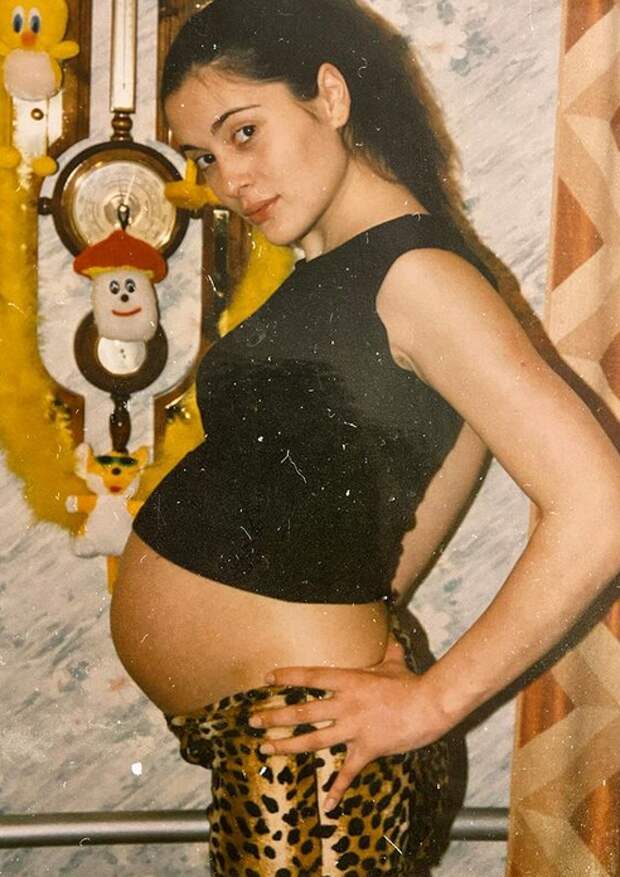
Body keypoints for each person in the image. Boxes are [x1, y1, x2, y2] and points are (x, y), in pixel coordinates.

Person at [109, 1, 620, 874]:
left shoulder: (416, 274)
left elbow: (600, 507)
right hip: (290, 742)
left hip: (309, 761)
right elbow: (411, 499)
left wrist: (432, 703)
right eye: (205, 156)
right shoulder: (359, 268)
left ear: (331, 96)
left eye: (244, 132)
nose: (228, 181)